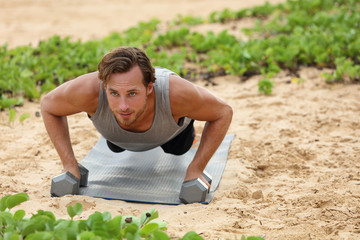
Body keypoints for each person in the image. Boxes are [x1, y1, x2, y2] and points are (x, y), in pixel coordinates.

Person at [41, 46, 233, 189]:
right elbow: (49, 106)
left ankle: (184, 137)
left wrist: (196, 169)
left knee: (178, 149)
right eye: (114, 93)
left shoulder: (176, 93)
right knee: (115, 146)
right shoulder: (87, 91)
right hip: (117, 138)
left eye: (132, 93)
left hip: (172, 137)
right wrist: (69, 164)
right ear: (104, 87)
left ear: (149, 87)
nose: (123, 105)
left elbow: (223, 112)